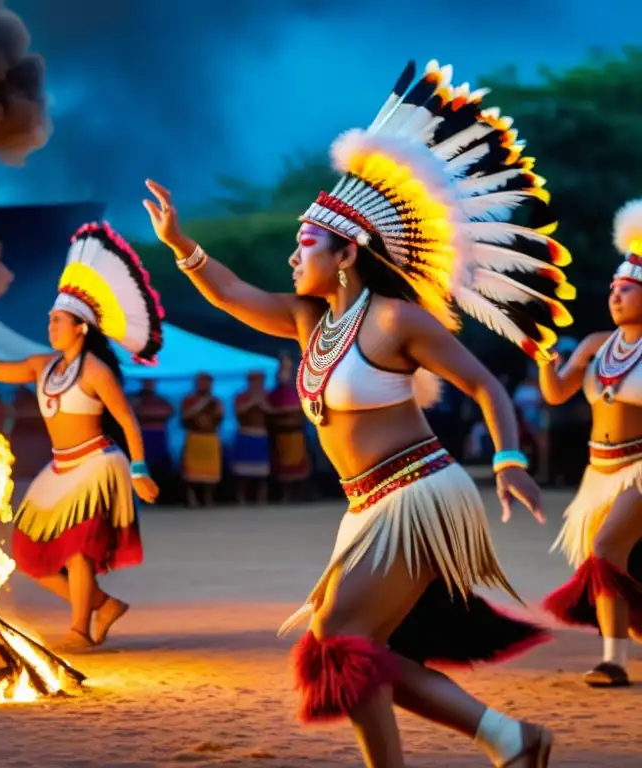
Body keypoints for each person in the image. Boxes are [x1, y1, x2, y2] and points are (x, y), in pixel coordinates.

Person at [143, 59, 575, 767]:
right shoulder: (306, 322)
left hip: (418, 495)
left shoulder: (397, 321)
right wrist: (179, 244)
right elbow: (226, 292)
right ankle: (510, 738)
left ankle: (490, 744)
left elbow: (486, 388)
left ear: (349, 253)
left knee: (338, 640)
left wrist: (509, 460)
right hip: (364, 507)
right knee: (353, 652)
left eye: (304, 243)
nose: (291, 256)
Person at [0, 221, 163, 652]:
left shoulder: (96, 370)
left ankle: (80, 630)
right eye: (50, 319)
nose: (50, 325)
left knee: (78, 550)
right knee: (31, 556)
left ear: (80, 328)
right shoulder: (40, 364)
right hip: (60, 469)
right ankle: (103, 607)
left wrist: (139, 470)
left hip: (96, 465)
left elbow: (126, 420)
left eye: (58, 320)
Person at [538, 198, 642, 687]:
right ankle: (620, 650)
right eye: (613, 289)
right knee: (606, 562)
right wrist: (542, 358)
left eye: (627, 290)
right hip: (596, 471)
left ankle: (613, 663)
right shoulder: (595, 343)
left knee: (605, 548)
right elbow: (557, 393)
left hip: (640, 468)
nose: (615, 297)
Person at [268, 354, 312, 501]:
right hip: (281, 435)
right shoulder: (273, 395)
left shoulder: (298, 392)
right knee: (283, 466)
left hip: (296, 433)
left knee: (299, 463)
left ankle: (298, 494)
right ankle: (284, 494)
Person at [180, 373, 223, 507]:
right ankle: (191, 498)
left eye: (207, 382)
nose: (204, 385)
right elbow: (185, 416)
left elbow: (219, 417)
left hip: (210, 437)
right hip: (195, 436)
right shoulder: (189, 400)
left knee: (210, 471)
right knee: (191, 471)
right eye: (201, 382)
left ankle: (207, 498)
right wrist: (201, 405)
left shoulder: (216, 401)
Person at [231, 371, 272, 504]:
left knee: (262, 473)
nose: (257, 383)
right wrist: (252, 402)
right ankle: (241, 498)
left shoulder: (267, 395)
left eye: (260, 380)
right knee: (243, 472)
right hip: (246, 433)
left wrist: (262, 404)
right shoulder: (241, 396)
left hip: (261, 434)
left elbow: (273, 412)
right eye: (254, 380)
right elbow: (238, 412)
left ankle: (262, 498)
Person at [128, 378, 174, 487]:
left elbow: (170, 411)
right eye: (147, 383)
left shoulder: (161, 400)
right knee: (141, 463)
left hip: (158, 437)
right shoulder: (134, 399)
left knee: (158, 464)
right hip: (142, 436)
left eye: (151, 383)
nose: (149, 385)